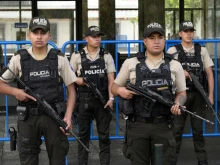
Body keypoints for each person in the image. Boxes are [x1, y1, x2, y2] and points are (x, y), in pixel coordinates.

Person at [0, 17, 77, 165]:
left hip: (54, 117)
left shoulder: (59, 58)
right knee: (28, 160)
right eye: (36, 32)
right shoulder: (19, 58)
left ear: (49, 35)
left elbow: (72, 90)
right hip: (28, 118)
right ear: (29, 35)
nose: (39, 36)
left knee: (57, 159)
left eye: (43, 32)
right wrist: (15, 92)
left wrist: (68, 116)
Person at [111, 22, 187, 165]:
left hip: (163, 125)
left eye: (160, 37)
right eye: (152, 38)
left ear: (165, 40)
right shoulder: (131, 62)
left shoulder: (175, 65)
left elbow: (182, 92)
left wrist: (178, 103)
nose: (156, 41)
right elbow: (114, 87)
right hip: (138, 126)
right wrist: (121, 91)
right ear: (145, 41)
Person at [167, 20, 214, 165]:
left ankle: (202, 161)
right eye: (185, 31)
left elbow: (209, 74)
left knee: (198, 132)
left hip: (199, 96)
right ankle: (172, 161)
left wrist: (210, 95)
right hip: (181, 95)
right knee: (177, 131)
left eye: (191, 31)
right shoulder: (172, 51)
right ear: (180, 33)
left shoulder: (202, 50)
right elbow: (167, 73)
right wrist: (181, 73)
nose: (188, 34)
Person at [70, 25, 116, 165]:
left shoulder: (106, 56)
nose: (97, 39)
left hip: (102, 101)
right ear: (86, 38)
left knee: (104, 136)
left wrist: (111, 98)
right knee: (83, 136)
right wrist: (78, 80)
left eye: (99, 36)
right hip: (83, 101)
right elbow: (70, 78)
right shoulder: (77, 56)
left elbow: (111, 80)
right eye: (94, 36)